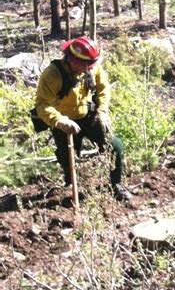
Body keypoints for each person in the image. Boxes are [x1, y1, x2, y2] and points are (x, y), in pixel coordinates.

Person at [34, 36, 130, 202]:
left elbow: (103, 87)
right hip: (63, 122)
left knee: (115, 146)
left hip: (88, 116)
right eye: (87, 66)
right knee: (68, 158)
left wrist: (103, 111)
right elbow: (42, 105)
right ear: (72, 60)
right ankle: (71, 190)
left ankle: (116, 184)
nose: (90, 69)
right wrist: (59, 121)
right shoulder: (52, 75)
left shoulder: (92, 67)